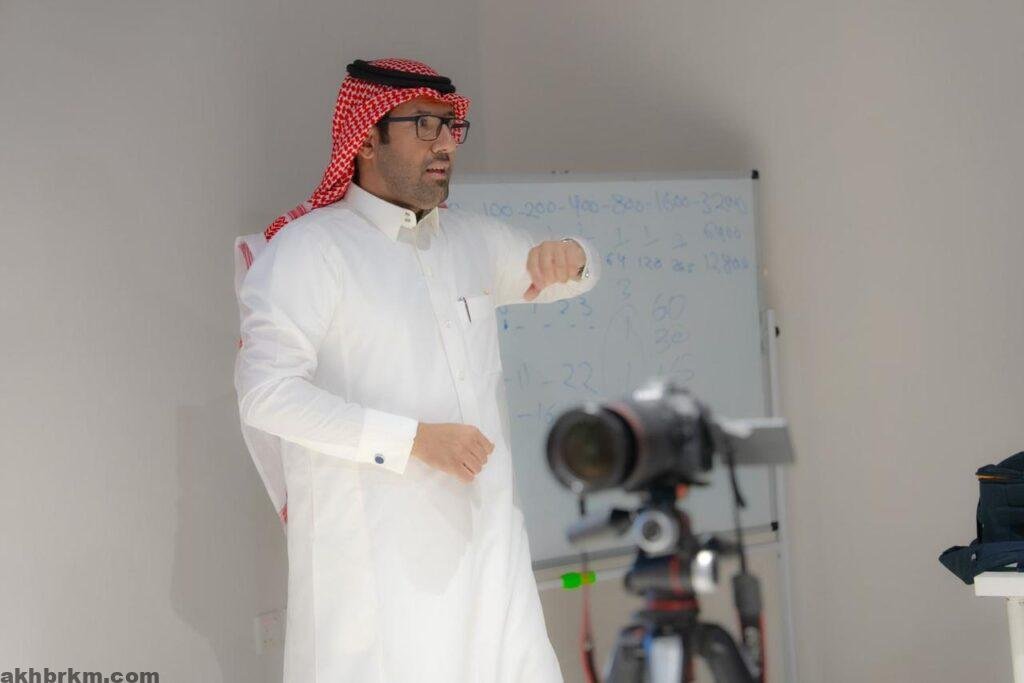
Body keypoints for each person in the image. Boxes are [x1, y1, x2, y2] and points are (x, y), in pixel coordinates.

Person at [234, 57, 601, 683]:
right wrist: (411, 442)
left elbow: (576, 275)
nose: (445, 144)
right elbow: (266, 394)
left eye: (452, 127)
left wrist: (573, 255)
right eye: (424, 125)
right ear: (366, 138)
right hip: (378, 574)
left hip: (489, 557)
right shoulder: (310, 250)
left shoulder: (467, 240)